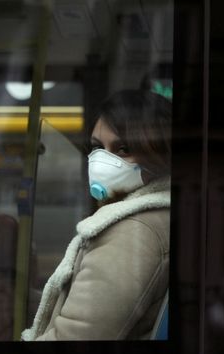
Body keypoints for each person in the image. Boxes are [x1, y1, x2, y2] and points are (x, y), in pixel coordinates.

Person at [22, 90, 171, 340]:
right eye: (97, 147)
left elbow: (73, 342)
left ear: (159, 156)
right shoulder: (156, 217)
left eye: (123, 149)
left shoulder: (133, 231)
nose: (102, 160)